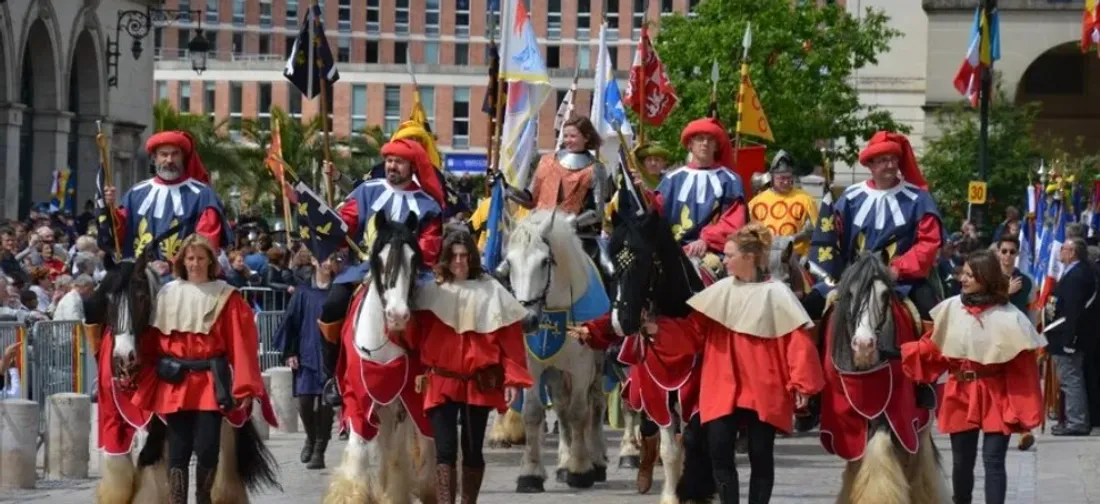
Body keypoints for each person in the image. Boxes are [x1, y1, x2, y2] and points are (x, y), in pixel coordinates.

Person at [578, 223, 823, 504]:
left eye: (730, 255)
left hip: (763, 386)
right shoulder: (719, 291)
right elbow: (692, 332)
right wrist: (658, 330)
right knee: (719, 453)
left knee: (760, 455)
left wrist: (802, 384)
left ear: (750, 257)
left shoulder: (778, 294)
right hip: (721, 386)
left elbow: (798, 345)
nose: (725, 260)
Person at [130, 234, 274, 501]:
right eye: (190, 258)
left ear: (210, 261)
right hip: (175, 382)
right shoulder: (167, 293)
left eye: (200, 258)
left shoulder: (226, 296)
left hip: (210, 381)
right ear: (182, 261)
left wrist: (245, 387)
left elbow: (241, 345)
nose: (195, 263)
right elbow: (151, 343)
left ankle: (204, 498)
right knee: (178, 450)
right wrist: (138, 369)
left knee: (208, 448)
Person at [393, 229, 532, 504]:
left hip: (478, 384)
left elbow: (510, 341)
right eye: (454, 256)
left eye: (464, 255)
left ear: (471, 257)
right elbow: (412, 338)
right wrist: (399, 323)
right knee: (444, 451)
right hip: (441, 382)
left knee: (472, 451)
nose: (459, 261)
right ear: (445, 257)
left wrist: (513, 380)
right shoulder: (430, 291)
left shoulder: (491, 290)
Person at [901, 250, 1045, 504]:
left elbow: (1023, 369)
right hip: (961, 392)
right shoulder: (951, 309)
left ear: (985, 277)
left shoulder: (1009, 316)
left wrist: (1022, 407)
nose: (963, 280)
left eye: (969, 275)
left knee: (993, 462)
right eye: (963, 274)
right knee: (962, 462)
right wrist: (898, 352)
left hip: (996, 394)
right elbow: (932, 348)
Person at [316, 139, 446, 371]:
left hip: (410, 272)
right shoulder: (367, 191)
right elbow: (348, 221)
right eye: (389, 161)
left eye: (399, 162)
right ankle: (332, 373)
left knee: (438, 313)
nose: (392, 166)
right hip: (364, 269)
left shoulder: (428, 205)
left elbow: (429, 246)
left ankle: (433, 371)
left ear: (412, 166)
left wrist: (404, 261)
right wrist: (330, 224)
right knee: (332, 307)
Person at [808, 130, 944, 320]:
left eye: (894, 159)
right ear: (870, 164)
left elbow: (929, 243)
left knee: (933, 316)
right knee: (809, 306)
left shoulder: (918, 199)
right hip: (852, 277)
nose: (890, 165)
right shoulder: (850, 197)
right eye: (883, 160)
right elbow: (831, 236)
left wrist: (898, 269)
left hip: (903, 280)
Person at [103, 131, 232, 259]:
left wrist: (177, 265)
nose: (169, 160)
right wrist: (110, 209)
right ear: (154, 157)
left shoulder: (203, 195)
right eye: (164, 154)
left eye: (175, 154)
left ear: (183, 157)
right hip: (140, 275)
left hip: (183, 275)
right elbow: (120, 233)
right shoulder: (136, 193)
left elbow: (207, 242)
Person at [506, 115, 609, 263]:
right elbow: (530, 200)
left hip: (575, 235)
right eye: (565, 136)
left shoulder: (596, 169)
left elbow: (597, 213)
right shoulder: (546, 160)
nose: (568, 140)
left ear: (586, 137)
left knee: (609, 270)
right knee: (510, 263)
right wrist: (506, 188)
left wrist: (569, 223)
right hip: (537, 230)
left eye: (573, 136)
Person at [275, 252, 342, 470]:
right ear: (314, 260)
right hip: (306, 353)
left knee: (325, 405)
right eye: (323, 258)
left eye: (330, 260)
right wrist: (290, 352)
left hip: (330, 355)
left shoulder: (339, 291)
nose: (327, 263)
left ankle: (320, 449)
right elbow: (291, 323)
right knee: (304, 403)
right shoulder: (303, 292)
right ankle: (311, 438)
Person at [654, 117, 747, 257]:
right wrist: (640, 193)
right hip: (673, 250)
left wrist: (706, 240)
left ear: (716, 146)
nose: (705, 143)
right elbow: (655, 210)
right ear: (690, 144)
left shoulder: (731, 180)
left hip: (713, 250)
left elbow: (734, 221)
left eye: (710, 139)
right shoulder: (672, 179)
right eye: (700, 138)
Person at [1046, 237, 1098, 436]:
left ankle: (1077, 421)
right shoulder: (1074, 272)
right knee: (1068, 379)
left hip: (1069, 337)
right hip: (1063, 333)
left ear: (1072, 252)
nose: (1060, 252)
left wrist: (1070, 339)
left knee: (1071, 379)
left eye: (1064, 249)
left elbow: (1073, 310)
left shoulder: (1077, 275)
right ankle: (1071, 418)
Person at [748, 150, 818, 258]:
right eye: (782, 178)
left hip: (796, 257)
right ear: (772, 177)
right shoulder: (756, 203)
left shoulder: (806, 200)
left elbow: (815, 231)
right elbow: (749, 233)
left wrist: (792, 239)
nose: (786, 182)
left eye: (789, 178)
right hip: (765, 257)